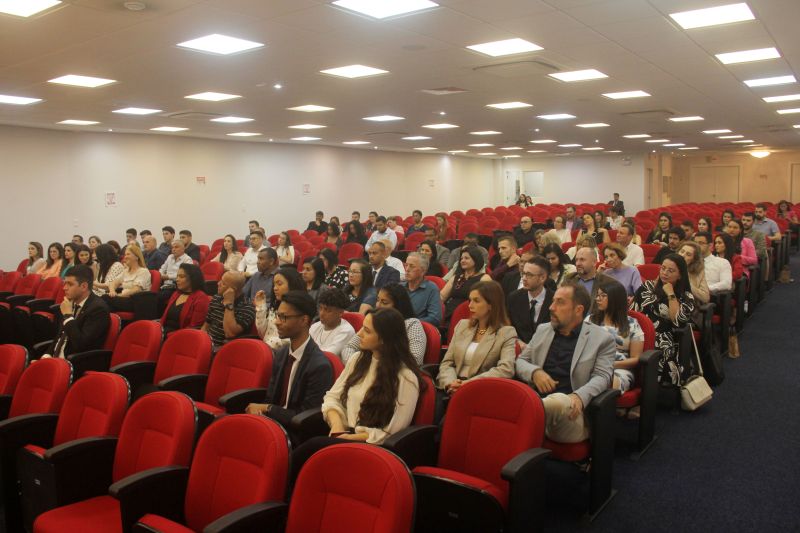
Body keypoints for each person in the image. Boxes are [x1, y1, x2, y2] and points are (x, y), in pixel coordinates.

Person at [299, 307, 421, 453]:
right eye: (362, 327)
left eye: (367, 331)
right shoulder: (358, 359)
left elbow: (391, 433)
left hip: (372, 446)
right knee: (303, 436)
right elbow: (332, 397)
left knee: (312, 447)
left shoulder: (406, 377)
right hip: (344, 432)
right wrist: (337, 426)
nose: (359, 333)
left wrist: (349, 438)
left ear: (384, 339)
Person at [515, 283, 615, 443]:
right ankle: (527, 415)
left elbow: (603, 376)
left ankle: (520, 415)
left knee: (559, 401)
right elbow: (521, 361)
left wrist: (579, 396)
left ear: (578, 310)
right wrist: (535, 372)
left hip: (570, 414)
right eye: (553, 301)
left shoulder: (601, 339)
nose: (551, 307)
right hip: (538, 399)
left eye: (560, 302)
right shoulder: (543, 329)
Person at [245, 291, 335, 432]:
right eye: (277, 316)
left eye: (283, 317)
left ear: (304, 320)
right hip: (273, 422)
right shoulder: (282, 354)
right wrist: (259, 414)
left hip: (296, 432)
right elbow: (270, 397)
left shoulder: (319, 366)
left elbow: (306, 417)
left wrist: (268, 409)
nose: (276, 322)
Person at [438, 280, 516, 394]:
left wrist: (467, 384)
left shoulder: (506, 333)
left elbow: (506, 369)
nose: (470, 305)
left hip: (481, 390)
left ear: (491, 304)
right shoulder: (462, 325)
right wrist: (450, 383)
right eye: (470, 300)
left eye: (476, 301)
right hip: (451, 387)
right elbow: (447, 362)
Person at [632, 254, 695, 386]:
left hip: (664, 336)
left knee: (659, 350)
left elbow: (678, 321)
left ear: (680, 275)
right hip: (638, 332)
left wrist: (671, 294)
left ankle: (652, 389)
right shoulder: (647, 287)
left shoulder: (686, 296)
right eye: (663, 268)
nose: (665, 273)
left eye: (670, 271)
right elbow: (633, 312)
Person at [342, 283, 427, 365]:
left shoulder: (411, 324)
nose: (378, 305)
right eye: (377, 300)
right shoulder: (374, 320)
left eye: (384, 302)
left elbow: (415, 360)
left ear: (398, 305)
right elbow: (349, 347)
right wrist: (357, 365)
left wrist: (377, 368)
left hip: (393, 372)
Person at [41, 265, 111, 359]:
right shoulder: (71, 303)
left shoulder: (98, 309)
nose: (64, 288)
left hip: (76, 361)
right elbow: (60, 337)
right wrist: (46, 356)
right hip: (56, 359)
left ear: (84, 286)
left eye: (70, 284)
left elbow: (81, 344)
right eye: (65, 283)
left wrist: (68, 316)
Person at [588, 279, 643, 394]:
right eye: (597, 295)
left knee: (603, 381)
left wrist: (610, 365)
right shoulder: (590, 320)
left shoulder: (632, 324)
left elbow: (636, 359)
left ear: (615, 298)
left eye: (603, 296)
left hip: (619, 369)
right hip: (590, 366)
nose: (598, 299)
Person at [507, 256, 553, 346]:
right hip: (518, 348)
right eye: (523, 274)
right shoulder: (514, 298)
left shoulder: (554, 300)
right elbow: (508, 328)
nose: (524, 278)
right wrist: (518, 342)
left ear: (542, 278)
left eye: (529, 275)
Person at [255, 267, 305, 350]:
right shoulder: (276, 305)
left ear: (292, 284)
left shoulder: (300, 309)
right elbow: (262, 333)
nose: (275, 288)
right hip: (267, 349)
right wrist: (261, 307)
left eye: (279, 284)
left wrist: (265, 346)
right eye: (274, 284)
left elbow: (291, 339)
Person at [202, 271, 255, 347]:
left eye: (223, 283)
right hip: (208, 344)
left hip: (227, 348)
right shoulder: (216, 298)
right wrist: (202, 341)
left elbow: (230, 333)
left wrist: (229, 303)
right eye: (220, 280)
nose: (218, 284)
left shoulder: (247, 307)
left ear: (233, 290)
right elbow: (206, 325)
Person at [440, 247, 491, 323]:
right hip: (449, 314)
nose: (462, 261)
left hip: (470, 316)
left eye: (466, 258)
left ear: (476, 260)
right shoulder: (455, 277)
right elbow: (441, 297)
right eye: (461, 258)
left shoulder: (484, 278)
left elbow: (488, 301)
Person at [160, 263, 210, 335]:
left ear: (192, 278)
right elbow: (164, 318)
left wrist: (171, 335)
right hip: (164, 332)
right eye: (177, 276)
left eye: (181, 276)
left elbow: (194, 327)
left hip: (181, 336)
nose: (177, 279)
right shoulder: (176, 294)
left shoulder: (201, 298)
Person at [309, 288, 356, 357]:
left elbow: (327, 357)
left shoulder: (346, 331)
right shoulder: (315, 326)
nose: (321, 313)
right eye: (320, 308)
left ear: (340, 312)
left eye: (328, 310)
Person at [104, 245, 151, 312]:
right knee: (105, 305)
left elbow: (135, 290)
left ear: (136, 257)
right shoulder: (126, 271)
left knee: (105, 299)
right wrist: (112, 292)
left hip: (136, 302)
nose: (125, 257)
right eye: (125, 254)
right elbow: (113, 283)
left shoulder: (143, 271)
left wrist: (118, 296)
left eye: (128, 254)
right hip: (123, 300)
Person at [403, 252, 442, 327]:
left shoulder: (432, 289)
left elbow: (435, 318)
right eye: (406, 265)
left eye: (412, 266)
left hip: (417, 329)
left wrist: (410, 323)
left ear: (423, 271)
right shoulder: (399, 286)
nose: (407, 269)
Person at [158, 240, 194, 306]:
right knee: (150, 295)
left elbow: (185, 275)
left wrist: (168, 277)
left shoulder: (187, 259)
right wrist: (160, 275)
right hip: (164, 285)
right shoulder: (170, 257)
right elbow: (162, 268)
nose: (173, 249)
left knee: (157, 298)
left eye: (176, 247)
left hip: (176, 286)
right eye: (172, 247)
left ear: (183, 249)